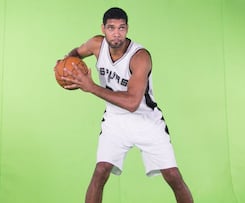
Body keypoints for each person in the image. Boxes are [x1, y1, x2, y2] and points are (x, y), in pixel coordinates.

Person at [56, 7, 193, 203]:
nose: (116, 33)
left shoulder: (140, 57)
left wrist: (91, 87)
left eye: (121, 28)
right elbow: (76, 53)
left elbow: (132, 102)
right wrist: (64, 65)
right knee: (100, 171)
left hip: (146, 120)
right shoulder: (96, 44)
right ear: (103, 28)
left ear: (127, 29)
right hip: (115, 120)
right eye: (111, 28)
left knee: (173, 176)